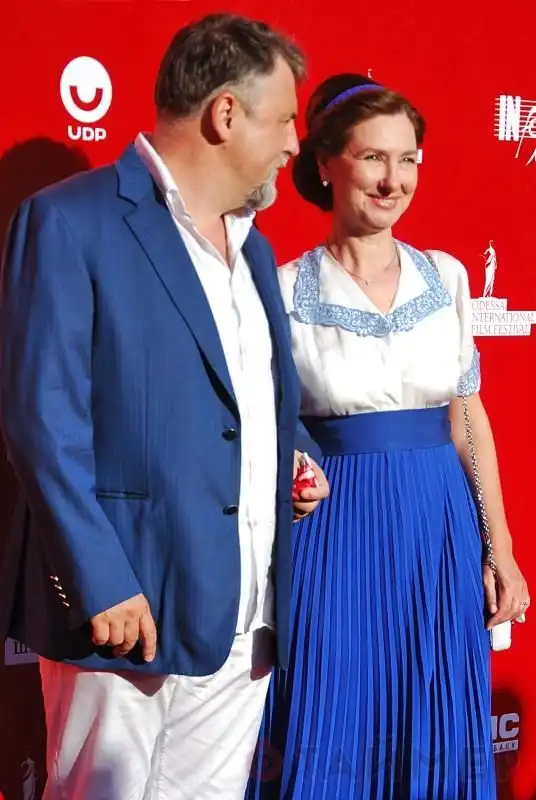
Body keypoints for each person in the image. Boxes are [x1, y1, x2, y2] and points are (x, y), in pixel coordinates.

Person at [0, 14, 328, 799]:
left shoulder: (254, 246)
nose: (294, 144)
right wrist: (100, 578)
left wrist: (293, 457)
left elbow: (251, 401)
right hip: (127, 609)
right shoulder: (70, 220)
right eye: (285, 120)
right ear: (225, 114)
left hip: (244, 616)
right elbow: (42, 421)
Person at [247, 74, 529, 799]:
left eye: (408, 160)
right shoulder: (283, 290)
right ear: (325, 164)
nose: (392, 180)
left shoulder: (447, 278)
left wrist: (498, 546)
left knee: (434, 715)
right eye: (373, 157)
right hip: (332, 529)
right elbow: (262, 426)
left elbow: (467, 419)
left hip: (437, 526)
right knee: (334, 716)